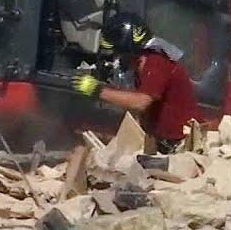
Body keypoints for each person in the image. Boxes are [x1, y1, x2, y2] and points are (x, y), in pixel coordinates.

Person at [71, 13, 200, 153]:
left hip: (179, 144)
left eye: (118, 54)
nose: (117, 60)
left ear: (128, 49)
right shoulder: (143, 67)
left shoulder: (156, 62)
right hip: (159, 139)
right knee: (84, 132)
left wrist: (97, 90)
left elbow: (141, 102)